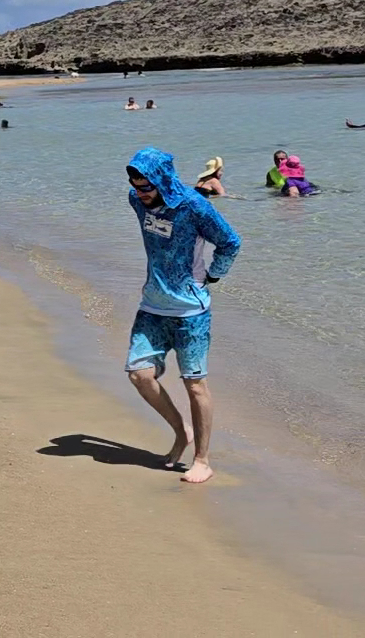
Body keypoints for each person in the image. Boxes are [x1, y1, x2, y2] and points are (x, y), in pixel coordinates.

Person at [124, 147, 240, 485]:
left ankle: (202, 460)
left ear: (162, 180)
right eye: (136, 186)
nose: (140, 193)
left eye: (146, 186)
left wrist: (213, 275)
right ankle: (181, 431)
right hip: (152, 307)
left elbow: (230, 242)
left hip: (191, 312)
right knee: (139, 375)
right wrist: (142, 193)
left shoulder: (194, 206)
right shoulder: (137, 201)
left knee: (194, 385)